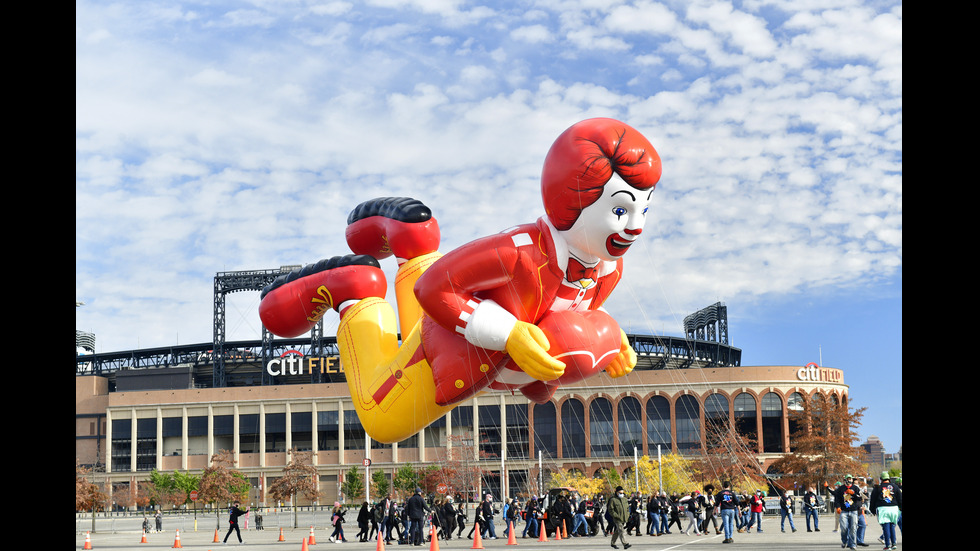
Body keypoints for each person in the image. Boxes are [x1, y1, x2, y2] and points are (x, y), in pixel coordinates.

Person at [258, 119, 662, 447]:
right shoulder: (518, 251)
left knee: (429, 320)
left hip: (467, 333)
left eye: (643, 206)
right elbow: (435, 288)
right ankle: (354, 292)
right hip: (452, 346)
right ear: (574, 198)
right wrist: (510, 334)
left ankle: (414, 242)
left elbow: (571, 312)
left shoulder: (607, 268)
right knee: (383, 422)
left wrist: (615, 342)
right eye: (621, 208)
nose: (636, 225)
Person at [869, 472, 901, 550]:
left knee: (886, 526)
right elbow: (900, 498)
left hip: (883, 508)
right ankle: (894, 544)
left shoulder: (877, 488)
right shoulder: (895, 486)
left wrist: (872, 510)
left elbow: (872, 500)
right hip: (894, 508)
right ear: (889, 479)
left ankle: (888, 545)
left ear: (881, 479)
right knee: (892, 526)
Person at [834, 474, 864, 550]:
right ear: (845, 480)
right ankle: (844, 541)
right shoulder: (841, 489)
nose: (849, 480)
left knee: (853, 528)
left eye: (850, 479)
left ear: (852, 480)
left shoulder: (855, 488)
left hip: (854, 511)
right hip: (844, 511)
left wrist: (853, 493)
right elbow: (837, 499)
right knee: (844, 528)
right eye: (848, 479)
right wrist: (838, 507)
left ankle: (852, 544)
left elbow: (860, 498)